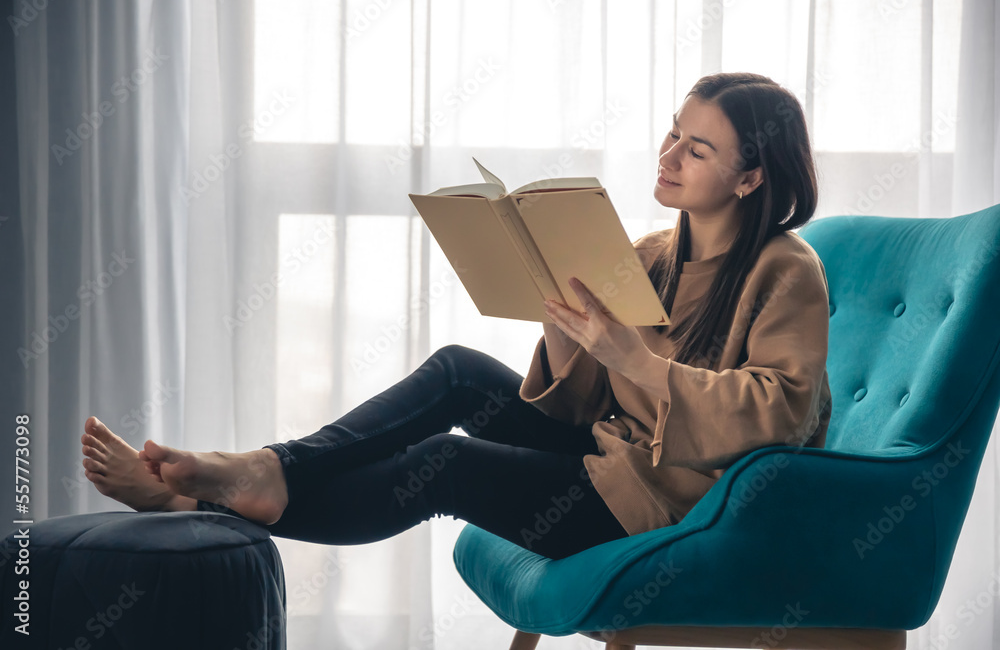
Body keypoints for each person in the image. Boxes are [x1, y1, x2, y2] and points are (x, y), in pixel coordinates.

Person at [81, 71, 832, 561]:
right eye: (673, 130)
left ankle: (225, 489)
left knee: (442, 464)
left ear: (751, 177)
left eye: (696, 149)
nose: (667, 154)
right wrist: (564, 325)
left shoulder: (786, 271)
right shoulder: (652, 253)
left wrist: (628, 353)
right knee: (456, 370)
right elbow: (578, 407)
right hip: (605, 452)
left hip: (665, 501)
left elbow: (781, 413)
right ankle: (269, 468)